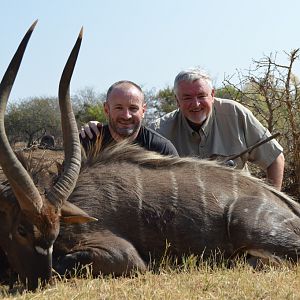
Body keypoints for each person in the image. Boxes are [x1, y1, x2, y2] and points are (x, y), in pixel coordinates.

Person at [150, 68, 285, 190]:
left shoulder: (235, 114)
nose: (196, 104)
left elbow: (275, 158)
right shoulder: (159, 131)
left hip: (238, 206)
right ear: (177, 101)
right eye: (187, 98)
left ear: (212, 95)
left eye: (201, 96)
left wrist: (272, 205)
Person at [80, 80, 178, 156]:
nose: (126, 115)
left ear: (143, 111)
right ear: (106, 110)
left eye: (133, 108)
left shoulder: (161, 149)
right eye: (119, 108)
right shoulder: (88, 142)